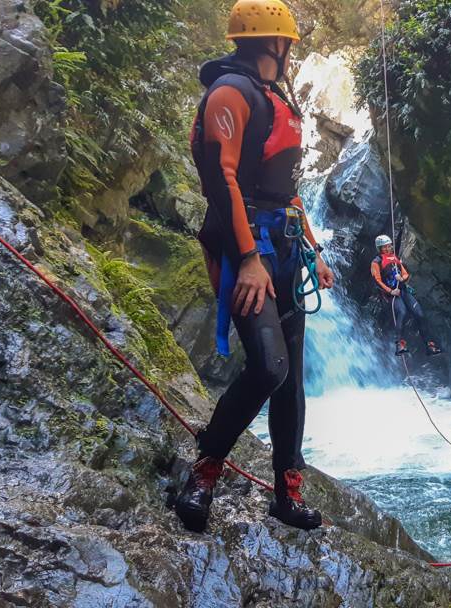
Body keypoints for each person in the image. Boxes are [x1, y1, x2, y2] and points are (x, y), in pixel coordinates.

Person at [176, 0, 335, 533]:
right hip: (247, 248)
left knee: (290, 377)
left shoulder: (273, 97)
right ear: (275, 43)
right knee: (269, 367)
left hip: (284, 248)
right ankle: (205, 470)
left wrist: (314, 249)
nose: (290, 52)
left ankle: (287, 492)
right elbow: (221, 180)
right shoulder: (230, 93)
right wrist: (247, 259)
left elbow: (286, 190)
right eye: (288, 43)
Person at [370, 235, 443, 356]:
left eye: (389, 246)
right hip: (391, 295)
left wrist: (402, 278)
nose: (388, 249)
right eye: (384, 247)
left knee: (419, 314)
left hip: (403, 291)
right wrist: (391, 291)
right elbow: (377, 280)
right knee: (402, 312)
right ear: (379, 248)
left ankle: (429, 345)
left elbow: (405, 274)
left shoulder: (395, 258)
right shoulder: (376, 262)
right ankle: (400, 345)